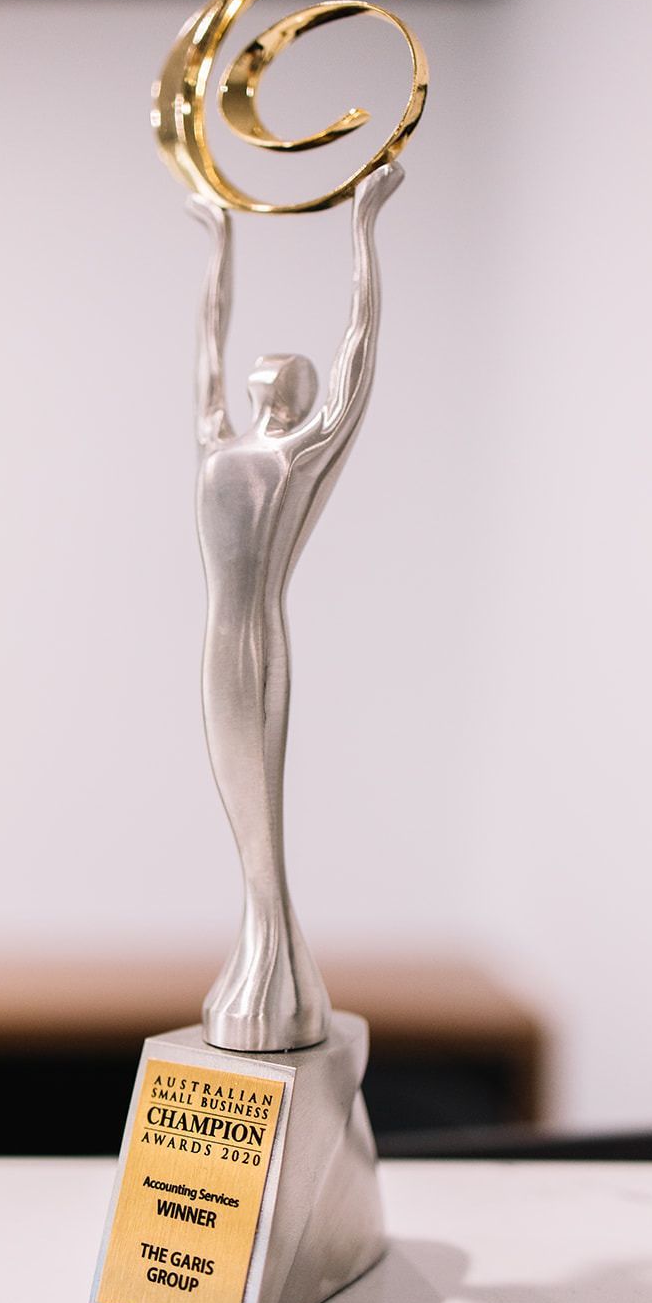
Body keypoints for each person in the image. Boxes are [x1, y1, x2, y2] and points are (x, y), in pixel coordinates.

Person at [190, 161, 403, 1052]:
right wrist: (218, 240)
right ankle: (264, 965)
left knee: (259, 810)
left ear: (302, 394)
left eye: (280, 376)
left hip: (256, 645)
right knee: (237, 804)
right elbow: (207, 340)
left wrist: (364, 225)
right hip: (214, 644)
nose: (259, 381)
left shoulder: (304, 453)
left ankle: (274, 974)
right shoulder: (221, 439)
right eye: (260, 376)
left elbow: (359, 346)